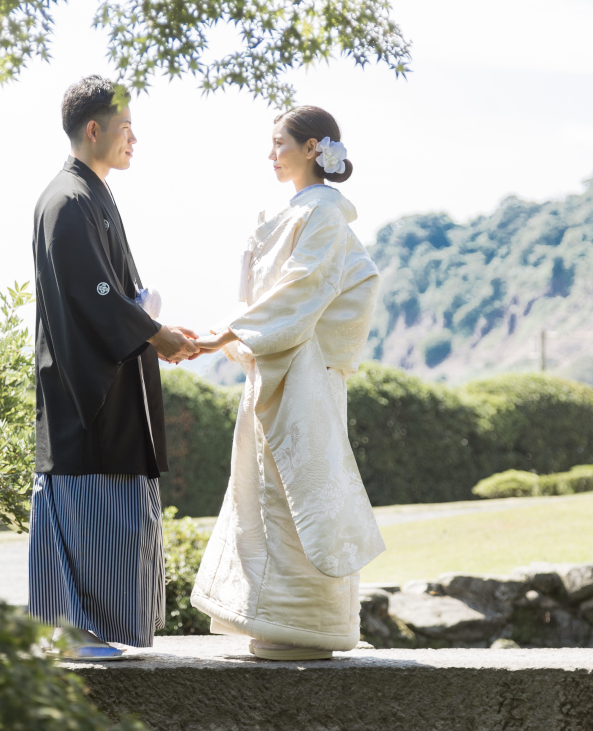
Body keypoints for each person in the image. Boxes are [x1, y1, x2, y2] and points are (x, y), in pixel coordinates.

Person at [190, 106, 385, 661]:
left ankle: (309, 625)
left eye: (279, 142)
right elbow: (262, 294)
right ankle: (271, 617)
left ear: (311, 148)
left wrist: (226, 334)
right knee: (262, 491)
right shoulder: (287, 214)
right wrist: (230, 331)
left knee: (301, 492)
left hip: (303, 375)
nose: (270, 152)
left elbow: (303, 289)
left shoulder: (323, 215)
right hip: (272, 367)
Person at [28, 75, 199, 660]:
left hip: (108, 380)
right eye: (126, 128)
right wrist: (155, 333)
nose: (135, 139)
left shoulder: (88, 194)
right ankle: (71, 631)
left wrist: (154, 333)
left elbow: (112, 293)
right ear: (94, 129)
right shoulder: (68, 200)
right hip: (86, 391)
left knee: (105, 511)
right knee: (84, 504)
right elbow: (96, 296)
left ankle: (85, 629)